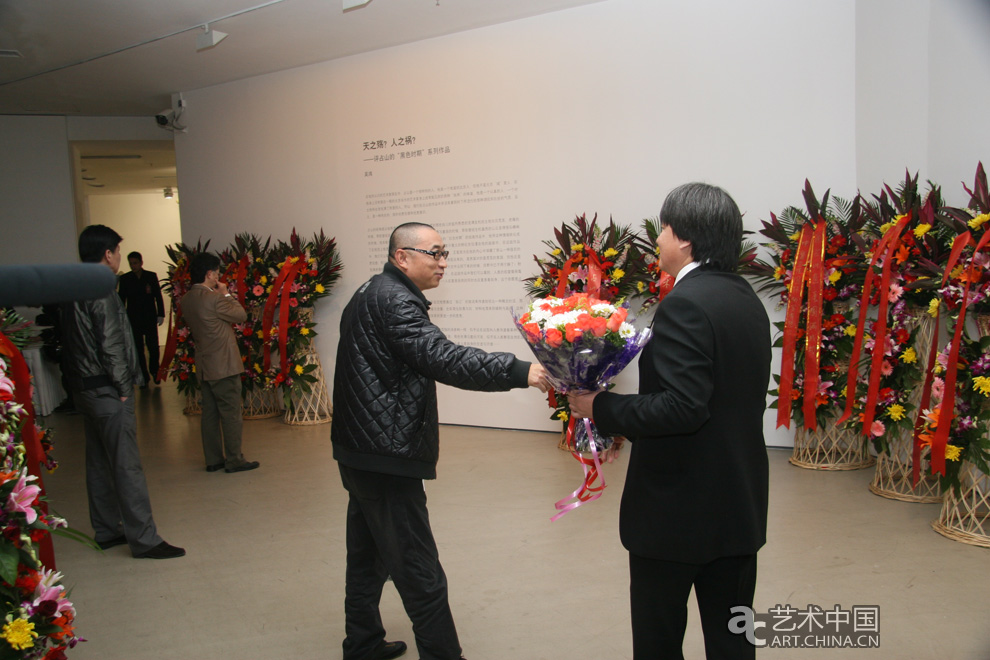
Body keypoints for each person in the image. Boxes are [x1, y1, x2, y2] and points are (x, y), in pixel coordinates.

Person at [568, 183, 772, 660]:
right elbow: (716, 398)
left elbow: (683, 407)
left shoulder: (685, 303)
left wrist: (599, 407)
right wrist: (625, 424)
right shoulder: (745, 299)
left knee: (659, 643)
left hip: (680, 514)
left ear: (684, 238)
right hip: (737, 505)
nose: (657, 239)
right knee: (733, 641)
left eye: (662, 229)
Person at [331, 222, 549, 660]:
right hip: (385, 454)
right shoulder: (395, 301)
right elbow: (443, 358)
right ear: (401, 257)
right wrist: (519, 372)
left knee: (367, 555)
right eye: (434, 253)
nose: (442, 262)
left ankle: (362, 642)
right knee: (418, 567)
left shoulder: (371, 291)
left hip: (361, 449)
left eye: (445, 252)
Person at [61, 225, 185, 560]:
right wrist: (123, 388)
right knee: (126, 464)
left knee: (99, 461)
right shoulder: (101, 289)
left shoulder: (72, 286)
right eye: (117, 251)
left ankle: (105, 529)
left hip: (85, 389)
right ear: (107, 253)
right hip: (106, 389)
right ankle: (144, 539)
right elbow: (111, 344)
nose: (118, 257)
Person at [181, 252, 259, 474]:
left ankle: (213, 459)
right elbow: (241, 315)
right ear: (209, 274)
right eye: (216, 273)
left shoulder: (187, 299)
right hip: (224, 365)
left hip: (205, 365)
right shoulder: (214, 298)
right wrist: (225, 294)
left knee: (210, 414)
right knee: (231, 413)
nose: (219, 277)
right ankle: (234, 459)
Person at [117, 251, 166, 386]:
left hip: (149, 317)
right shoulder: (125, 279)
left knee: (153, 347)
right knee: (138, 349)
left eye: (135, 263)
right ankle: (143, 377)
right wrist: (121, 318)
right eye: (131, 264)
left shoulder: (150, 276)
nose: (133, 266)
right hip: (133, 318)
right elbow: (122, 299)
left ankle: (155, 371)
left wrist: (161, 313)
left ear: (141, 263)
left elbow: (157, 296)